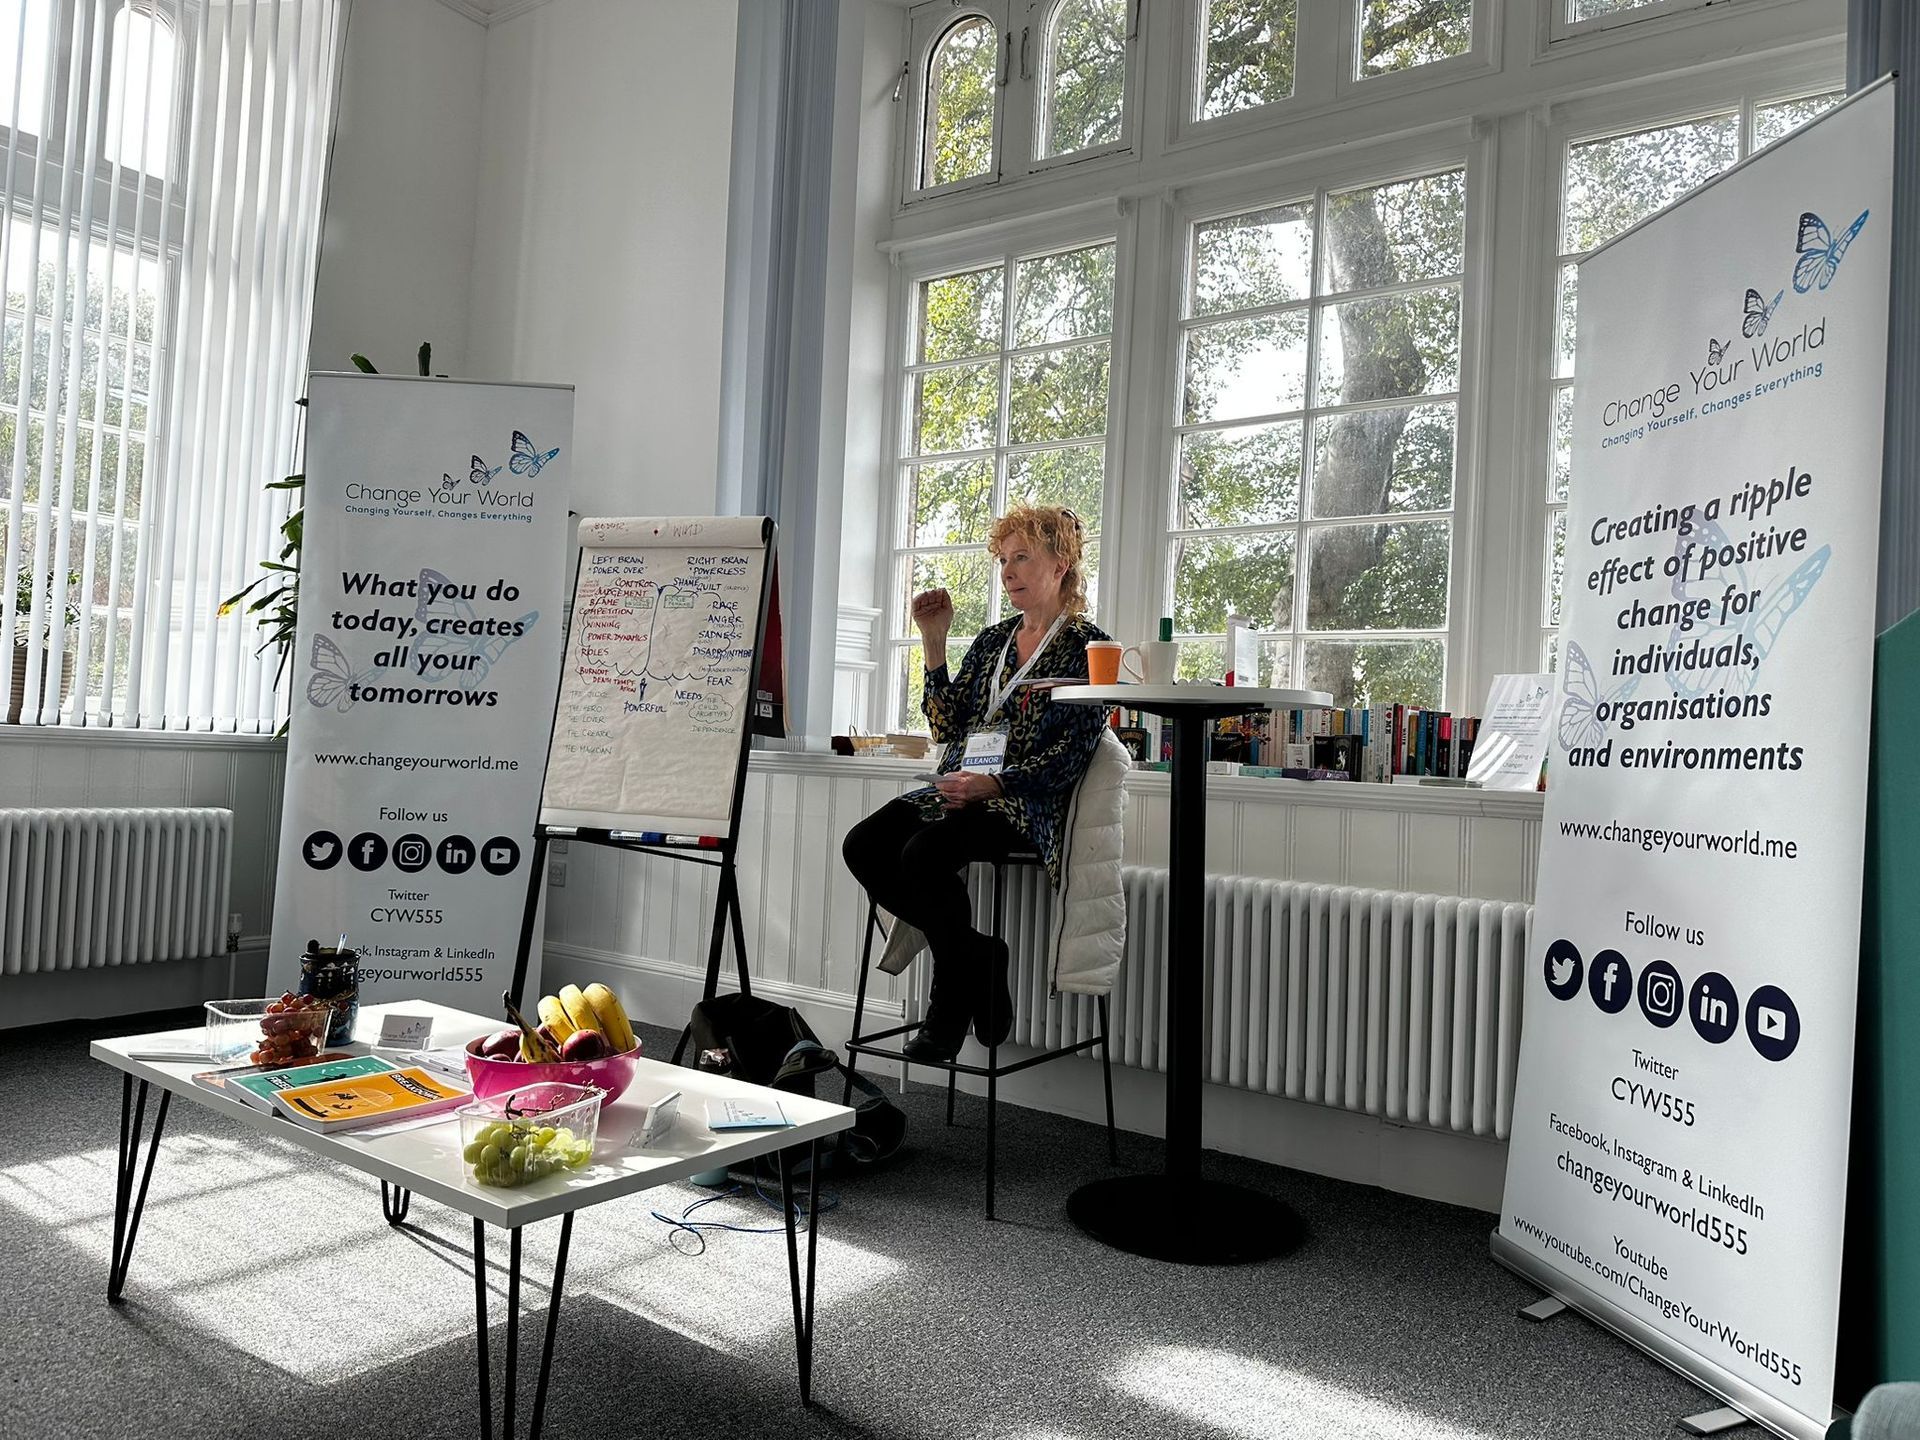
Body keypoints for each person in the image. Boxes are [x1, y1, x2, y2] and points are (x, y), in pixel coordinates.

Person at [842, 504, 1110, 1062]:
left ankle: (945, 1012)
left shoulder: (1089, 647)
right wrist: (935, 643)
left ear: (1060, 564)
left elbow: (1070, 758)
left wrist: (997, 786)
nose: (1009, 571)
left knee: (922, 855)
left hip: (1022, 804)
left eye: (1022, 558)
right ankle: (976, 956)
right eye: (1004, 561)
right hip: (957, 788)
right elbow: (947, 725)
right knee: (863, 845)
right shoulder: (991, 641)